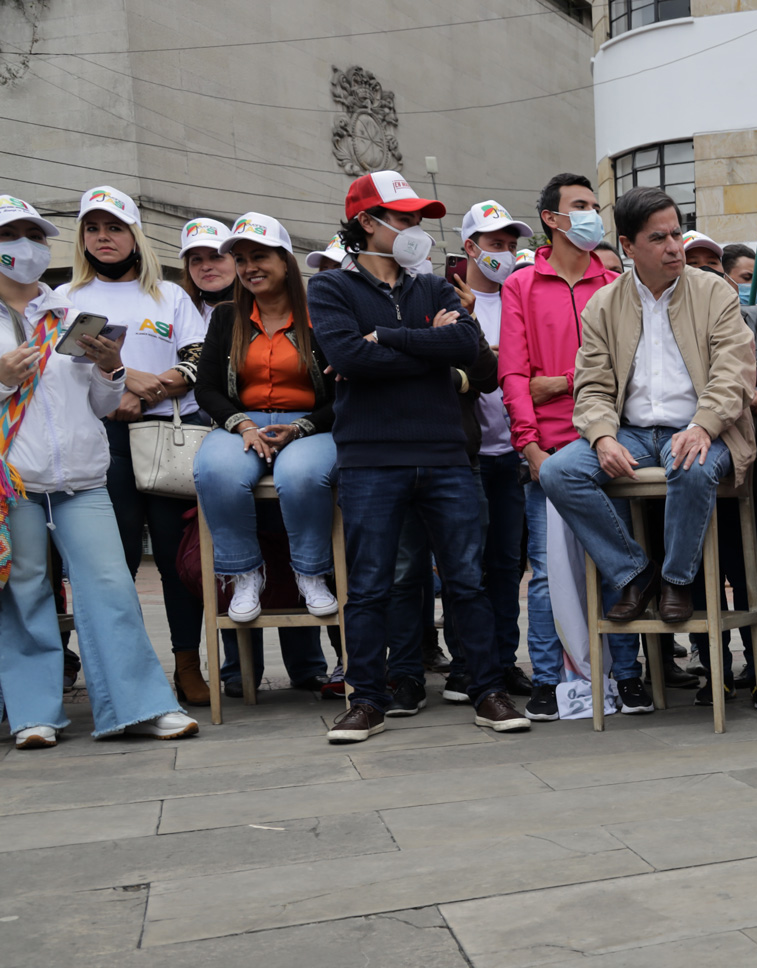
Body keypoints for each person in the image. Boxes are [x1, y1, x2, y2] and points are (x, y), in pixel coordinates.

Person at [307, 169, 530, 743]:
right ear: (366, 222)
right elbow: (347, 359)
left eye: (417, 219)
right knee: (371, 585)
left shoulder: (433, 287)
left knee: (467, 580)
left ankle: (487, 690)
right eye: (403, 218)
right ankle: (367, 699)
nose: (415, 230)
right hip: (370, 458)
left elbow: (465, 346)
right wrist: (428, 351)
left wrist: (387, 338)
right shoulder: (330, 288)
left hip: (446, 455)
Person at [0, 194, 198, 745]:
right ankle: (34, 714)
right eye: (10, 236)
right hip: (14, 482)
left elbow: (101, 404)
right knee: (25, 591)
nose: (26, 247)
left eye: (34, 236)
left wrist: (112, 371)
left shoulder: (67, 311)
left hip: (83, 479)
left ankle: (139, 704)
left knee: (111, 586)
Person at [540, 185, 756, 628]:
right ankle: (636, 574)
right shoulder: (604, 303)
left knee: (691, 464)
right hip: (631, 432)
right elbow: (592, 385)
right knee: (558, 472)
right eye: (658, 238)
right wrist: (601, 436)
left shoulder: (714, 292)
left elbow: (734, 372)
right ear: (628, 246)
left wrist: (703, 426)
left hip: (706, 427)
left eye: (676, 233)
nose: (674, 246)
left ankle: (677, 580)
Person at [55, 185, 212, 708]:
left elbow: (198, 359)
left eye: (115, 227)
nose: (104, 237)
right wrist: (126, 382)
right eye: (93, 228)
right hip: (101, 442)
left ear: (135, 235)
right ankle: (124, 672)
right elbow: (65, 373)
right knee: (113, 566)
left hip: (167, 438)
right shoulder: (67, 299)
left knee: (176, 561)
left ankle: (187, 665)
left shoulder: (170, 296)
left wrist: (147, 388)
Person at [500, 172, 635, 719]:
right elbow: (514, 376)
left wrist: (558, 382)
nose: (591, 216)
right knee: (545, 573)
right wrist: (530, 448)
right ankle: (547, 679)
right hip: (550, 450)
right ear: (551, 219)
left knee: (617, 563)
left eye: (595, 206)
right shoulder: (521, 286)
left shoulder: (616, 284)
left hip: (611, 444)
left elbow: (627, 371)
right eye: (580, 205)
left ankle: (627, 676)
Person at [191, 213, 337, 697]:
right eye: (241, 259)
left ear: (285, 259)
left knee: (301, 475)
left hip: (311, 423)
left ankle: (310, 574)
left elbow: (346, 390)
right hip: (243, 422)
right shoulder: (226, 317)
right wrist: (243, 425)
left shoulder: (321, 311)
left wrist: (301, 428)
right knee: (215, 470)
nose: (249, 267)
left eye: (260, 256)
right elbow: (207, 388)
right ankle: (244, 574)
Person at [444, 199, 535, 704]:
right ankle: (465, 665)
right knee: (466, 566)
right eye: (495, 243)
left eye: (511, 244)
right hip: (467, 456)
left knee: (506, 564)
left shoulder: (520, 296)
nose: (505, 252)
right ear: (470, 247)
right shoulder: (447, 299)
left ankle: (502, 660)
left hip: (514, 454)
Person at [178, 218, 235, 319]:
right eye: (196, 259)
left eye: (216, 257)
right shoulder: (179, 313)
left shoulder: (261, 308)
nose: (206, 267)